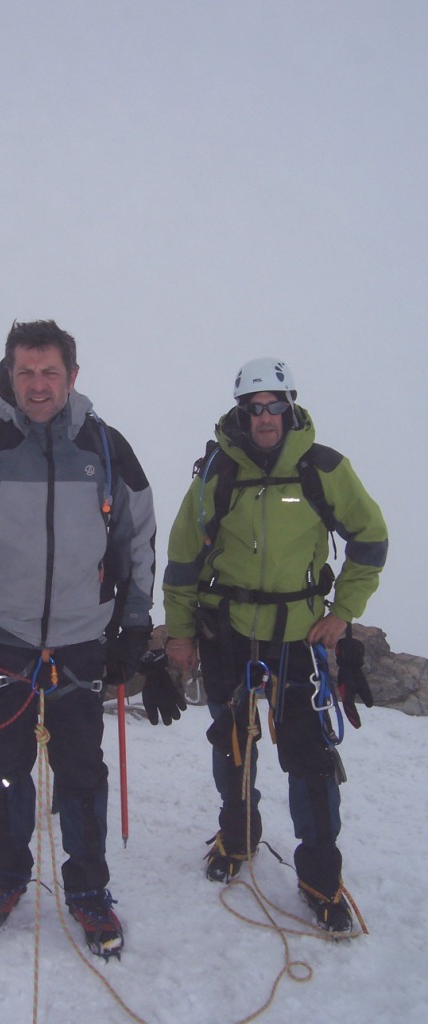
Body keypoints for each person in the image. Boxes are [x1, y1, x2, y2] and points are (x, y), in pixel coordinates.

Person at [0, 320, 157, 959]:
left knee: (81, 769)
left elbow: (138, 535)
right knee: (5, 768)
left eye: (50, 373)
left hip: (82, 640)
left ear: (72, 376)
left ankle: (88, 890)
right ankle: (8, 874)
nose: (39, 385)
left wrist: (135, 621)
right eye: (26, 373)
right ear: (10, 376)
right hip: (0, 637)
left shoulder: (105, 448)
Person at [162, 357, 387, 934]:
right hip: (229, 632)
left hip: (298, 636)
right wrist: (181, 632)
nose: (265, 417)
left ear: (290, 407)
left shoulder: (322, 468)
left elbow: (370, 538)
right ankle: (237, 838)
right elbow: (185, 559)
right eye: (253, 408)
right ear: (242, 413)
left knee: (309, 760)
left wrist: (343, 614)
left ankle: (319, 876)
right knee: (233, 744)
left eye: (274, 405)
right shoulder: (217, 472)